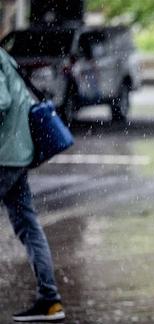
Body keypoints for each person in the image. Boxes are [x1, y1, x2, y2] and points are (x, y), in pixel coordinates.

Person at [0, 48, 65, 322]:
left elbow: (1, 101)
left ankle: (49, 299)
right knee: (28, 225)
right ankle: (50, 301)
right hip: (18, 152)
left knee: (28, 226)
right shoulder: (4, 56)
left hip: (4, 156)